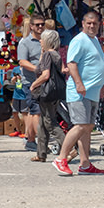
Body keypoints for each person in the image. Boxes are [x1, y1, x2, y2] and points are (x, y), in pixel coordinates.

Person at [54, 11, 104, 176]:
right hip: (80, 92)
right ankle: (61, 158)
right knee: (80, 125)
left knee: (88, 127)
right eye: (89, 23)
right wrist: (78, 83)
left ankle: (85, 163)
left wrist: (101, 85)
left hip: (92, 91)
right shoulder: (79, 40)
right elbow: (71, 63)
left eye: (95, 23)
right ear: (83, 23)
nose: (92, 26)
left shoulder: (95, 40)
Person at [28, 29, 67, 162]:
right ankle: (41, 153)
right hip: (56, 92)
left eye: (42, 39)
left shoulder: (47, 55)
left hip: (47, 92)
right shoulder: (56, 54)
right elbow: (62, 70)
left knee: (50, 123)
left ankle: (70, 148)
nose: (40, 41)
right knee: (42, 123)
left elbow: (45, 75)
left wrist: (34, 84)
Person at [16, 13, 46, 153]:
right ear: (32, 26)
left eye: (42, 24)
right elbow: (22, 62)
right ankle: (38, 141)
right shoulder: (25, 43)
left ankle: (31, 140)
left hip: (45, 81)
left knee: (40, 112)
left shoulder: (45, 40)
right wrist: (37, 69)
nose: (40, 27)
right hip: (31, 82)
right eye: (37, 25)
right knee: (36, 112)